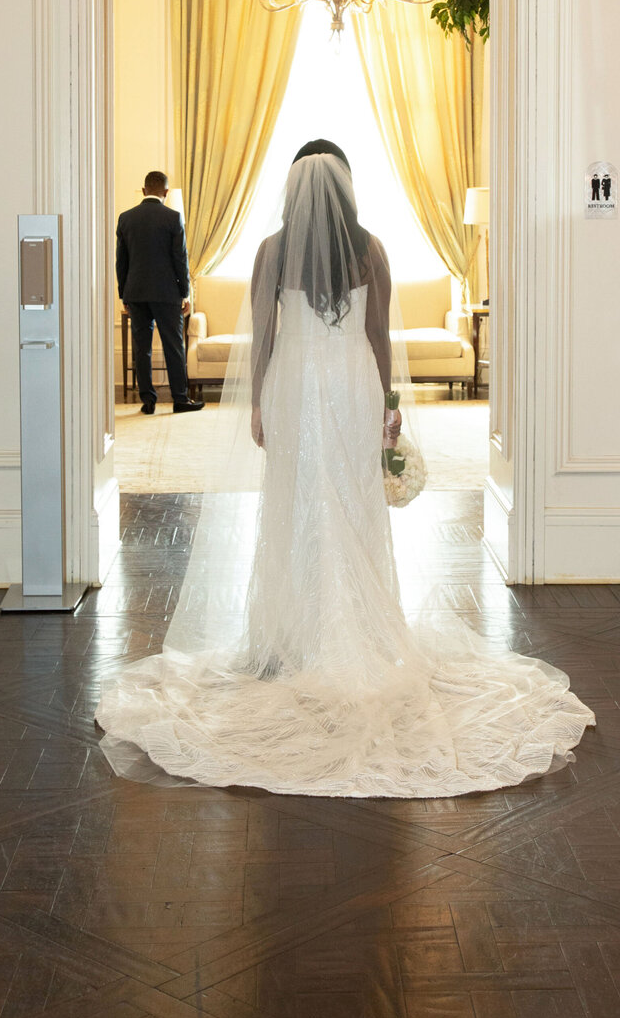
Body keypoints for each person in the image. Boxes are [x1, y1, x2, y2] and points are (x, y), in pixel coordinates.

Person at [96, 140, 593, 797]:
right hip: (353, 381)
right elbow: (378, 335)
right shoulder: (371, 249)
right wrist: (388, 404)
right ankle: (359, 634)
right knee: (353, 504)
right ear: (345, 190)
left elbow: (265, 335)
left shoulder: (272, 250)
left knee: (295, 502)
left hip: (296, 383)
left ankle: (291, 641)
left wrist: (259, 401)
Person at [116, 170, 203, 415]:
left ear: (144, 190)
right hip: (167, 293)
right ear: (166, 192)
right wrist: (185, 293)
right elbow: (180, 259)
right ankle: (180, 399)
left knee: (141, 348)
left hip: (136, 293)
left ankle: (148, 401)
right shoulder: (173, 218)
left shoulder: (126, 218)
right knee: (173, 346)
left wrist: (124, 294)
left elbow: (121, 261)